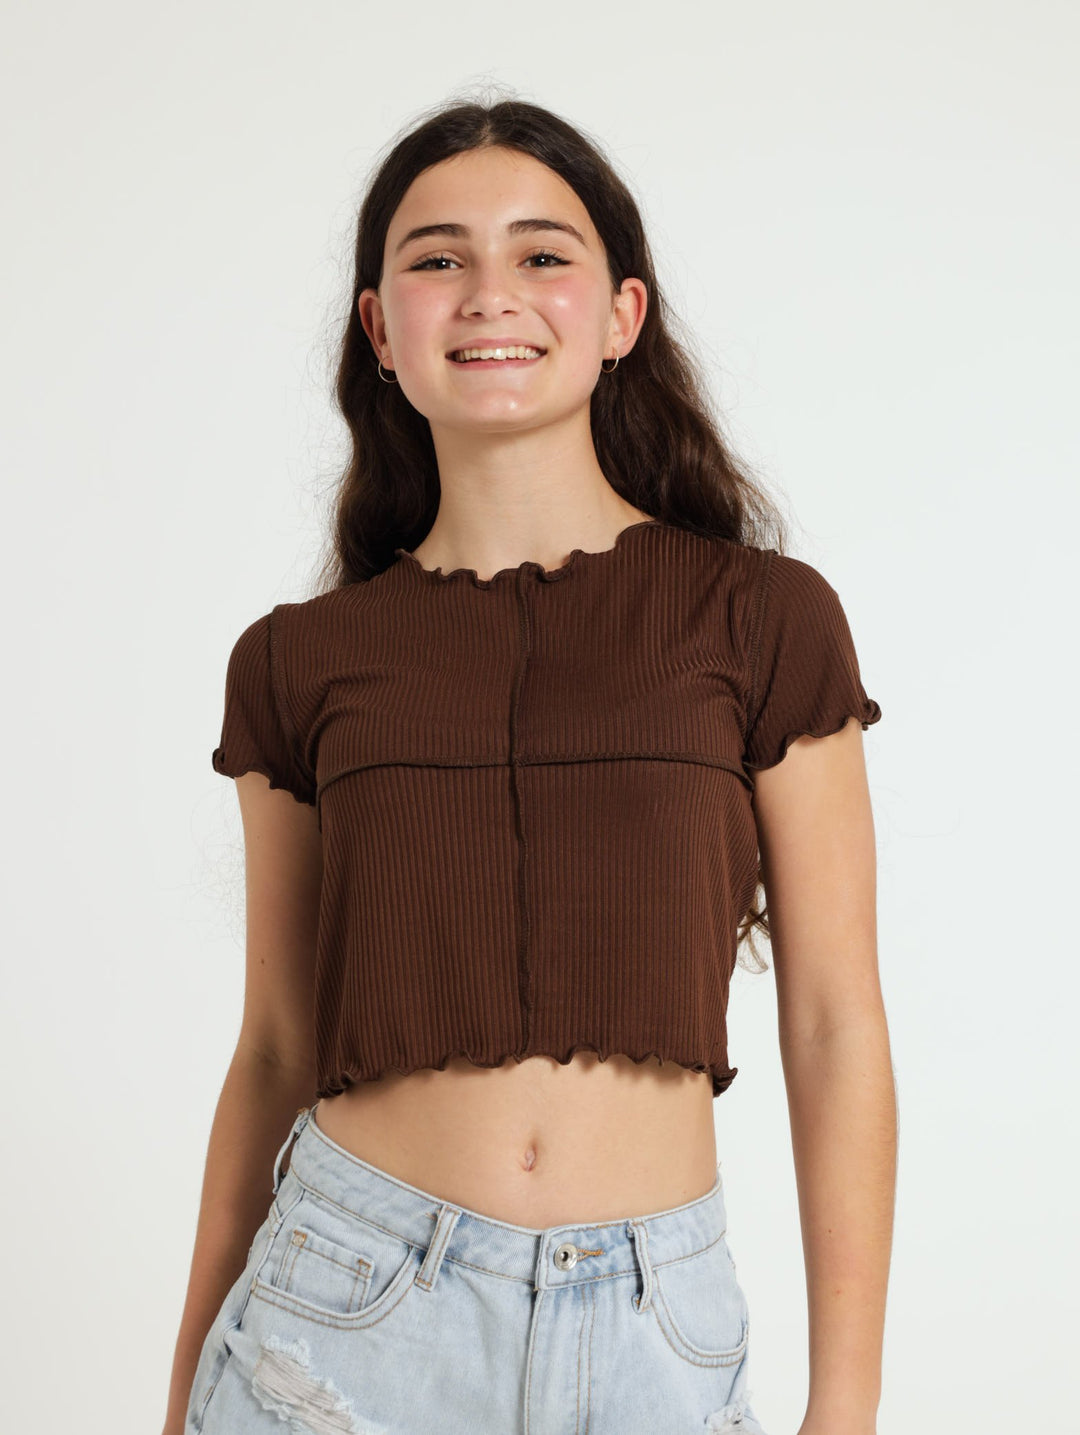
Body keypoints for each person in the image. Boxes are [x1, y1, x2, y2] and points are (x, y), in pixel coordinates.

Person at [165, 94, 895, 1435]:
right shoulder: (296, 659)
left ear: (621, 315)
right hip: (338, 1321)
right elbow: (272, 1049)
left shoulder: (763, 619)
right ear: (381, 328)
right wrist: (177, 1403)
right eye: (438, 257)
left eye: (542, 253)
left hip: (653, 1333)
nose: (489, 291)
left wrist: (846, 1407)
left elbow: (836, 1024)